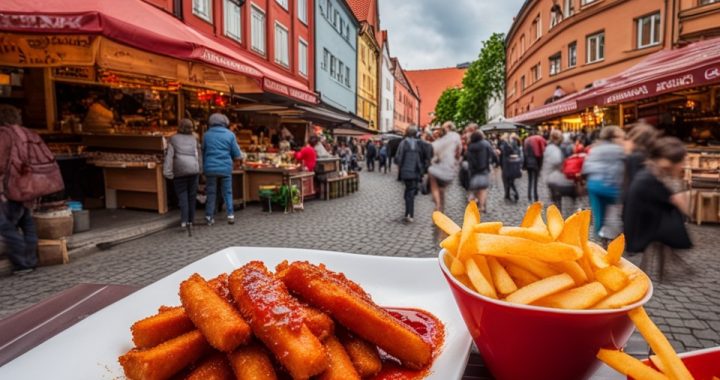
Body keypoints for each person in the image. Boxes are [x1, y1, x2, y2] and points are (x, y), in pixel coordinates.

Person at [624, 137, 692, 281]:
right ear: (669, 161)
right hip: (642, 228)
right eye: (681, 161)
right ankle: (671, 256)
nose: (683, 165)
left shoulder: (649, 172)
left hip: (642, 221)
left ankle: (670, 260)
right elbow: (682, 206)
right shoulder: (649, 178)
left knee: (673, 215)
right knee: (677, 221)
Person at [0, 105, 38, 274]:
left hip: (10, 188)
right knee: (27, 222)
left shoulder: (4, 135)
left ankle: (22, 263)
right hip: (28, 186)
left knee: (5, 226)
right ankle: (30, 259)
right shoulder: (26, 134)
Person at [582, 126, 626, 238]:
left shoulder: (595, 148)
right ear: (614, 137)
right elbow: (620, 170)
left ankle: (599, 240)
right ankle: (617, 238)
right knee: (617, 213)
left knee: (598, 216)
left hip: (594, 185)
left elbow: (586, 167)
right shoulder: (619, 150)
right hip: (611, 186)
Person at [203, 113, 243, 226]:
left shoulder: (206, 135)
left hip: (210, 168)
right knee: (227, 192)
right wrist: (236, 163)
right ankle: (230, 215)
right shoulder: (230, 135)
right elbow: (236, 154)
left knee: (211, 192)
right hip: (225, 168)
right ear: (225, 122)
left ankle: (209, 216)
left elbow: (203, 151)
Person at [164, 119, 202, 233]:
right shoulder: (194, 139)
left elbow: (169, 156)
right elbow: (198, 155)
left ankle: (184, 221)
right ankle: (191, 220)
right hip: (193, 170)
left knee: (182, 196)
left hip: (179, 171)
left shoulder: (173, 139)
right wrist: (200, 169)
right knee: (192, 196)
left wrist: (168, 172)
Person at [427, 121, 462, 212]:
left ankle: (438, 205)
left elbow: (434, 152)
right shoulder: (456, 137)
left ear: (448, 128)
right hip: (449, 168)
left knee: (434, 182)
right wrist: (456, 161)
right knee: (441, 189)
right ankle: (441, 207)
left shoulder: (444, 139)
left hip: (439, 167)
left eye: (444, 128)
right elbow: (459, 151)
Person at [395, 126, 427, 223]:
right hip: (416, 172)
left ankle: (408, 214)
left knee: (408, 192)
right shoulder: (419, 144)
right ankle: (409, 214)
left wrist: (399, 167)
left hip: (406, 171)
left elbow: (398, 158)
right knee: (411, 192)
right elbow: (422, 157)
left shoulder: (404, 143)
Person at [542, 130, 576, 210]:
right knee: (556, 199)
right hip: (553, 177)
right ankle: (557, 216)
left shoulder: (550, 147)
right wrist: (563, 164)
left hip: (551, 176)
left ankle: (557, 214)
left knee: (556, 198)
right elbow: (556, 160)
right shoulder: (553, 148)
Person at [465, 131, 498, 214]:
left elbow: (466, 157)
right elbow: (493, 155)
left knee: (476, 188)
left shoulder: (470, 146)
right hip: (484, 169)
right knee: (483, 189)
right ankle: (482, 206)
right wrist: (496, 162)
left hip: (473, 171)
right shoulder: (485, 144)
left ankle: (475, 202)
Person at [523, 130, 547, 202]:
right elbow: (539, 154)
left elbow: (524, 155)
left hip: (528, 164)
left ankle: (529, 196)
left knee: (530, 180)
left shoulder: (526, 142)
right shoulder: (537, 142)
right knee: (535, 181)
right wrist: (540, 166)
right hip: (535, 164)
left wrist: (524, 165)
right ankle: (535, 196)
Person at [499, 133, 522, 202]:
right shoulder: (509, 144)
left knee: (508, 181)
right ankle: (508, 194)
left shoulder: (507, 144)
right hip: (510, 164)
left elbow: (510, 153)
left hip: (508, 164)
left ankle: (513, 194)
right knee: (510, 180)